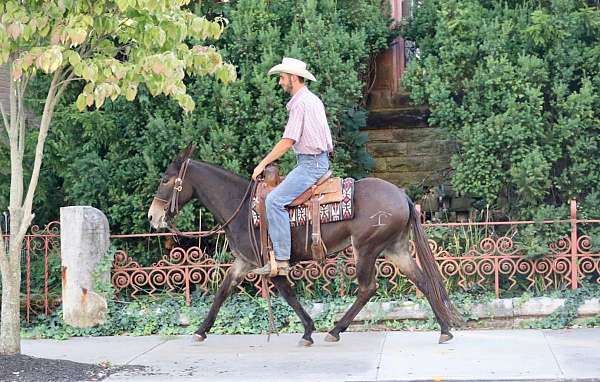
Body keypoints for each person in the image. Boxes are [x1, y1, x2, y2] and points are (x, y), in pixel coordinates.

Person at [251, 57, 333, 276]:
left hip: (311, 165)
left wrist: (262, 164)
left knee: (274, 200)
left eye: (282, 78)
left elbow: (288, 140)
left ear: (293, 78)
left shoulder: (300, 103)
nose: (280, 82)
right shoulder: (311, 99)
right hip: (315, 161)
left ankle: (282, 260)